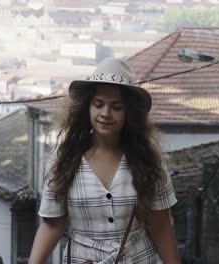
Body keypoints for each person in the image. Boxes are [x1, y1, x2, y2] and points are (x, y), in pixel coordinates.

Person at [29, 58, 180, 264]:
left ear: (129, 112)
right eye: (98, 104)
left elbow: (161, 223)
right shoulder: (64, 158)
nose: (105, 114)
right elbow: (52, 224)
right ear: (87, 107)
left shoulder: (148, 158)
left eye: (116, 107)